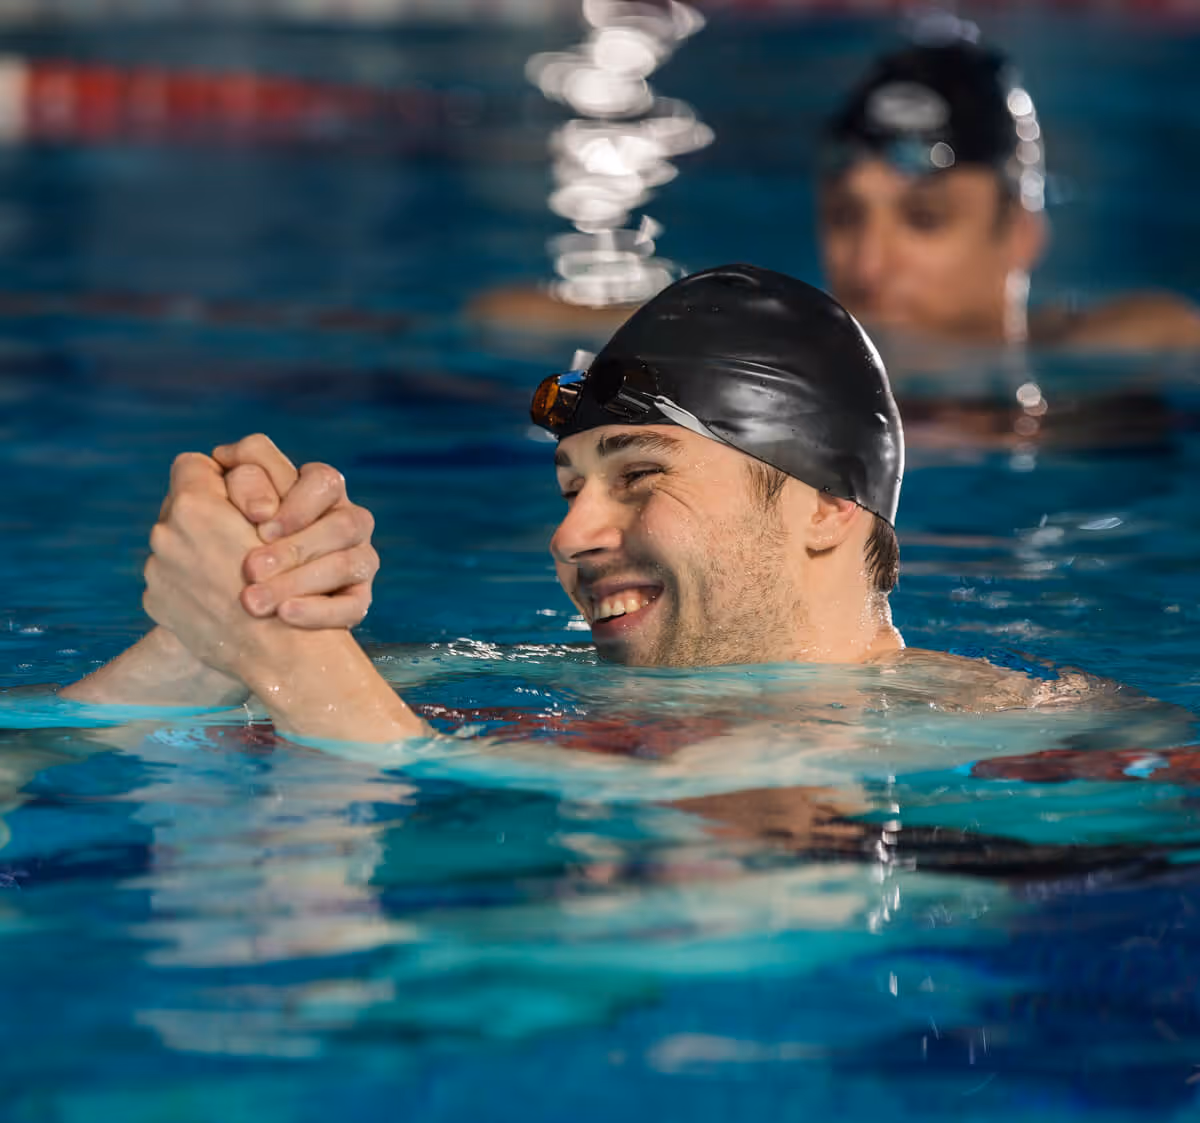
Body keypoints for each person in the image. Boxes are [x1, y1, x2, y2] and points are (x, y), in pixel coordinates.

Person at [60, 264, 1173, 752]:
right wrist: (217, 628)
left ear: (828, 507)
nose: (572, 534)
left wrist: (291, 663)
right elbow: (37, 757)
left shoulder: (1022, 740)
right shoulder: (500, 682)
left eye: (639, 476)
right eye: (571, 487)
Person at [817, 33, 1200, 353]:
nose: (868, 266)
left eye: (925, 219)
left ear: (1021, 235)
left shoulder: (1101, 367)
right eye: (844, 216)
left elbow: (1170, 330)